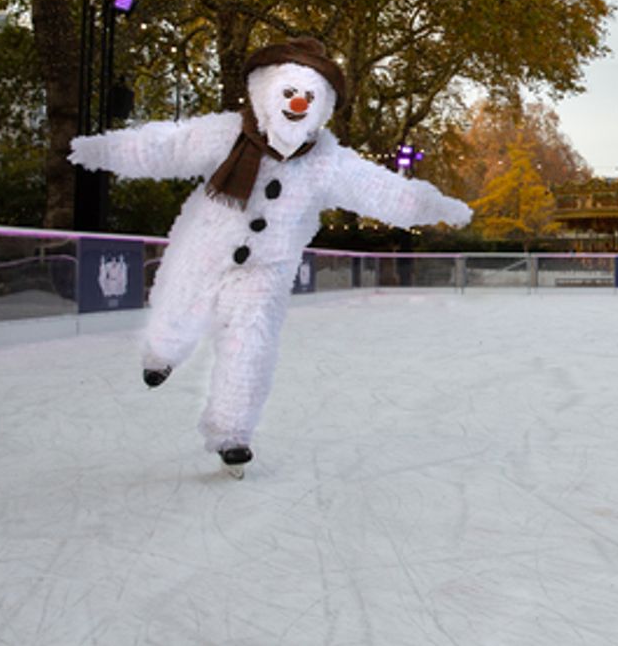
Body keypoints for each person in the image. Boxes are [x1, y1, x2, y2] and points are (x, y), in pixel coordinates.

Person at [70, 37, 471, 475]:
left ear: (321, 107)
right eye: (288, 92)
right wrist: (101, 149)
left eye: (308, 97)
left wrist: (436, 206)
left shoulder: (327, 162)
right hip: (205, 244)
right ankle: (160, 354)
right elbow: (165, 148)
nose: (297, 102)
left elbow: (384, 191)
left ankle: (232, 432)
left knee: (251, 345)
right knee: (179, 306)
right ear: (265, 91)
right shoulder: (226, 135)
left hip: (266, 269)